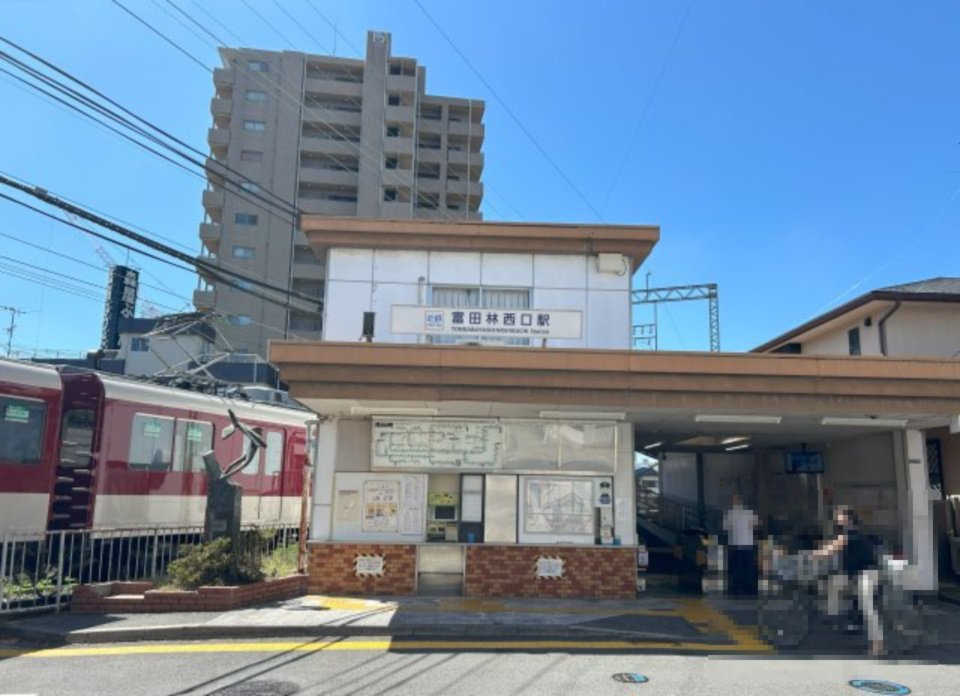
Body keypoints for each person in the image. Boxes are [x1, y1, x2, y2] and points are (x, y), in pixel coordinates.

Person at [812, 505, 883, 657]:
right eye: (837, 516)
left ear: (847, 517)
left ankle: (877, 643)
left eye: (840, 516)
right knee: (834, 584)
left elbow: (832, 549)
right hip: (854, 575)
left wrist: (815, 554)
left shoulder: (851, 532)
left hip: (867, 573)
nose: (837, 519)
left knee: (867, 606)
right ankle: (834, 615)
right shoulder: (847, 532)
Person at [723, 494, 759, 596]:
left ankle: (736, 589)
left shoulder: (729, 514)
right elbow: (756, 526)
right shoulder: (748, 513)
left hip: (736, 544)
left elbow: (726, 529)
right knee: (748, 567)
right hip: (747, 543)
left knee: (737, 567)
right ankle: (750, 589)